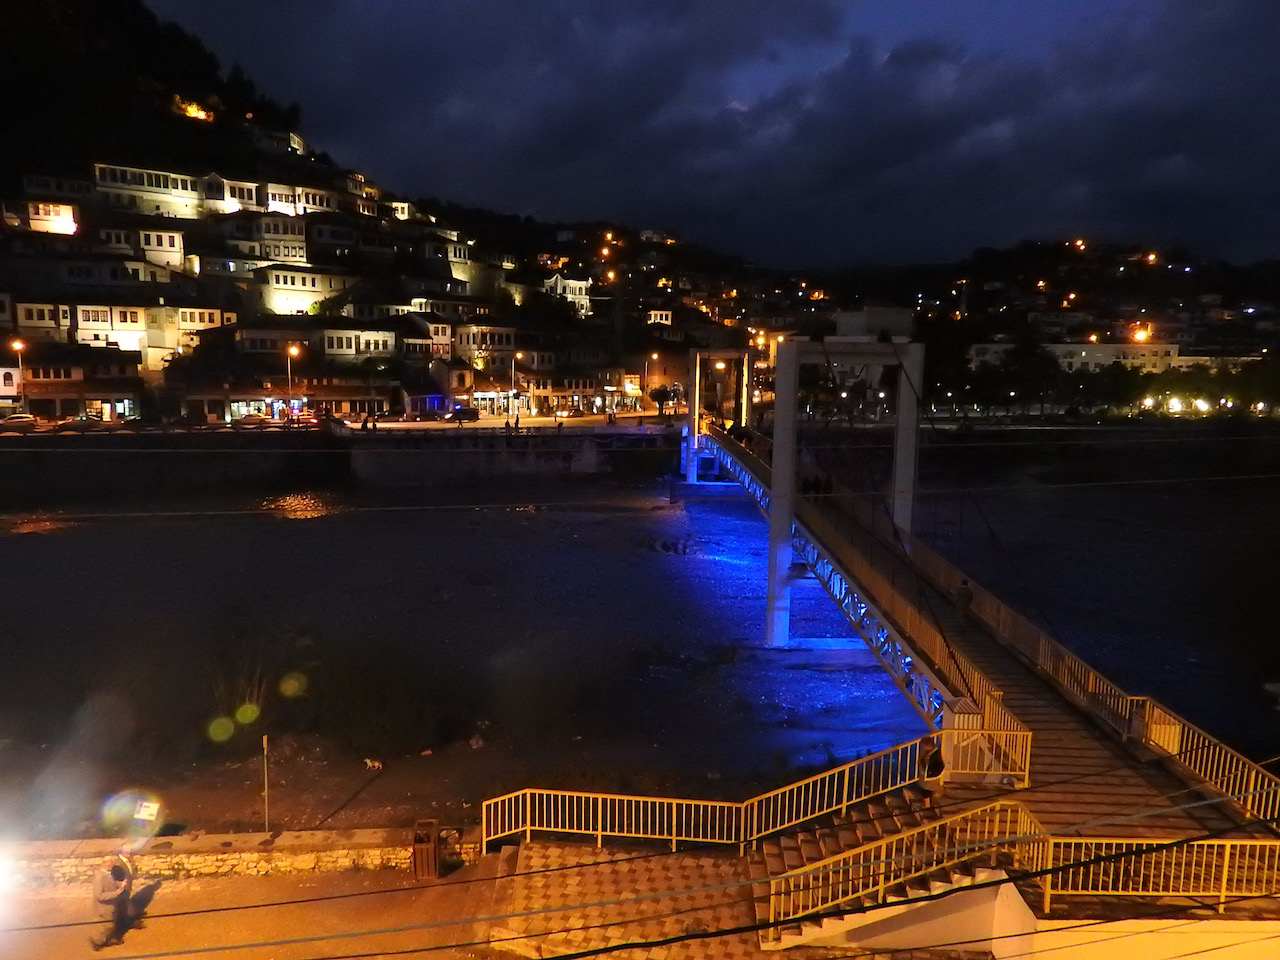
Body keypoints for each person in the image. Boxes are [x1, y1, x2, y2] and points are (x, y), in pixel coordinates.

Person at [89, 855, 133, 950]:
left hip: (110, 905)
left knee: (111, 922)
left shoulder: (108, 873)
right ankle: (98, 942)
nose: (112, 865)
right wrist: (116, 893)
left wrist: (121, 885)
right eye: (110, 863)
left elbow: (111, 884)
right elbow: (99, 895)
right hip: (104, 907)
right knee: (107, 925)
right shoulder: (99, 877)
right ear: (105, 864)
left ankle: (109, 939)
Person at [918, 736, 946, 809]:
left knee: (925, 790)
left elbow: (938, 766)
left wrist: (929, 772)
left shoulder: (934, 755)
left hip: (930, 776)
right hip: (927, 776)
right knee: (925, 790)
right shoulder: (932, 753)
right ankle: (928, 803)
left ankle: (927, 804)